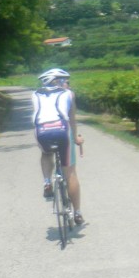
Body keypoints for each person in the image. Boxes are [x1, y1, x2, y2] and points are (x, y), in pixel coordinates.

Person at [32, 68, 85, 225]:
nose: (66, 83)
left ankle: (47, 181)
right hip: (62, 130)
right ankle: (77, 213)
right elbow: (72, 118)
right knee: (70, 174)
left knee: (46, 153)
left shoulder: (35, 94)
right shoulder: (69, 94)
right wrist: (75, 138)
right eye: (64, 81)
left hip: (41, 132)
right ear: (59, 81)